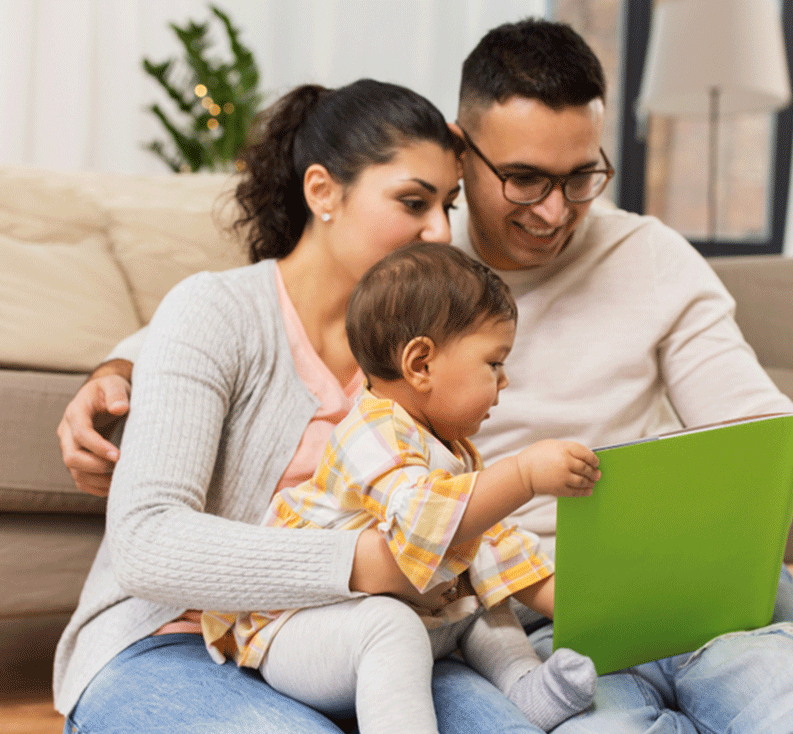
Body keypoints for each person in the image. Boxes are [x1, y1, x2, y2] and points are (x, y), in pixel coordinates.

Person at [59, 20, 793, 734]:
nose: (553, 210)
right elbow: (239, 315)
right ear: (466, 155)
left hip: (532, 599)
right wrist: (119, 367)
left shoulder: (596, 268)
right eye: (524, 180)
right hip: (430, 608)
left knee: (755, 685)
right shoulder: (405, 275)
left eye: (582, 177)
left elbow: (760, 453)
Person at [51, 79, 545, 734]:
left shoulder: (425, 358)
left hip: (366, 638)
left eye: (447, 204)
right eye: (413, 202)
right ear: (322, 192)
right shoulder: (219, 312)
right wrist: (366, 565)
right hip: (175, 640)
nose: (441, 230)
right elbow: (146, 542)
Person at [204, 241, 601, 733]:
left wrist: (585, 609)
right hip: (303, 629)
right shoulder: (370, 432)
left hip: (401, 618)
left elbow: (489, 546)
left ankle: (523, 684)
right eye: (493, 363)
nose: (504, 382)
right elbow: (425, 523)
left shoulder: (449, 447)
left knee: (482, 600)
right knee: (392, 628)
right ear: (420, 364)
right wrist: (522, 476)